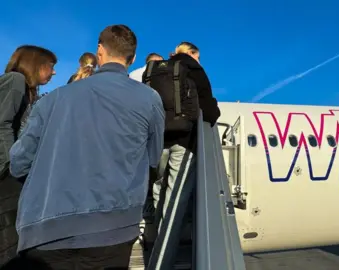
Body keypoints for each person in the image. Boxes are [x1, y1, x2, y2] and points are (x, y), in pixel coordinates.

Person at [9, 24, 165, 269]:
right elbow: (153, 158)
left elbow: (18, 164)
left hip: (44, 233)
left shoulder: (53, 99)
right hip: (113, 231)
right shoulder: (149, 98)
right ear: (133, 58)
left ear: (99, 51)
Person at [148, 41, 220, 268]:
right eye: (199, 56)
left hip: (158, 139)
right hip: (183, 140)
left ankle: (156, 236)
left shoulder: (159, 69)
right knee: (175, 199)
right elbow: (208, 109)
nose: (200, 61)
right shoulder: (192, 67)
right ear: (191, 53)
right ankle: (164, 259)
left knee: (159, 188)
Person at [0, 45, 57, 267]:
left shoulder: (27, 90)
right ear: (36, 64)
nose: (53, 72)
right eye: (50, 67)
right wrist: (10, 164)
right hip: (6, 173)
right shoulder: (14, 81)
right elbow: (2, 123)